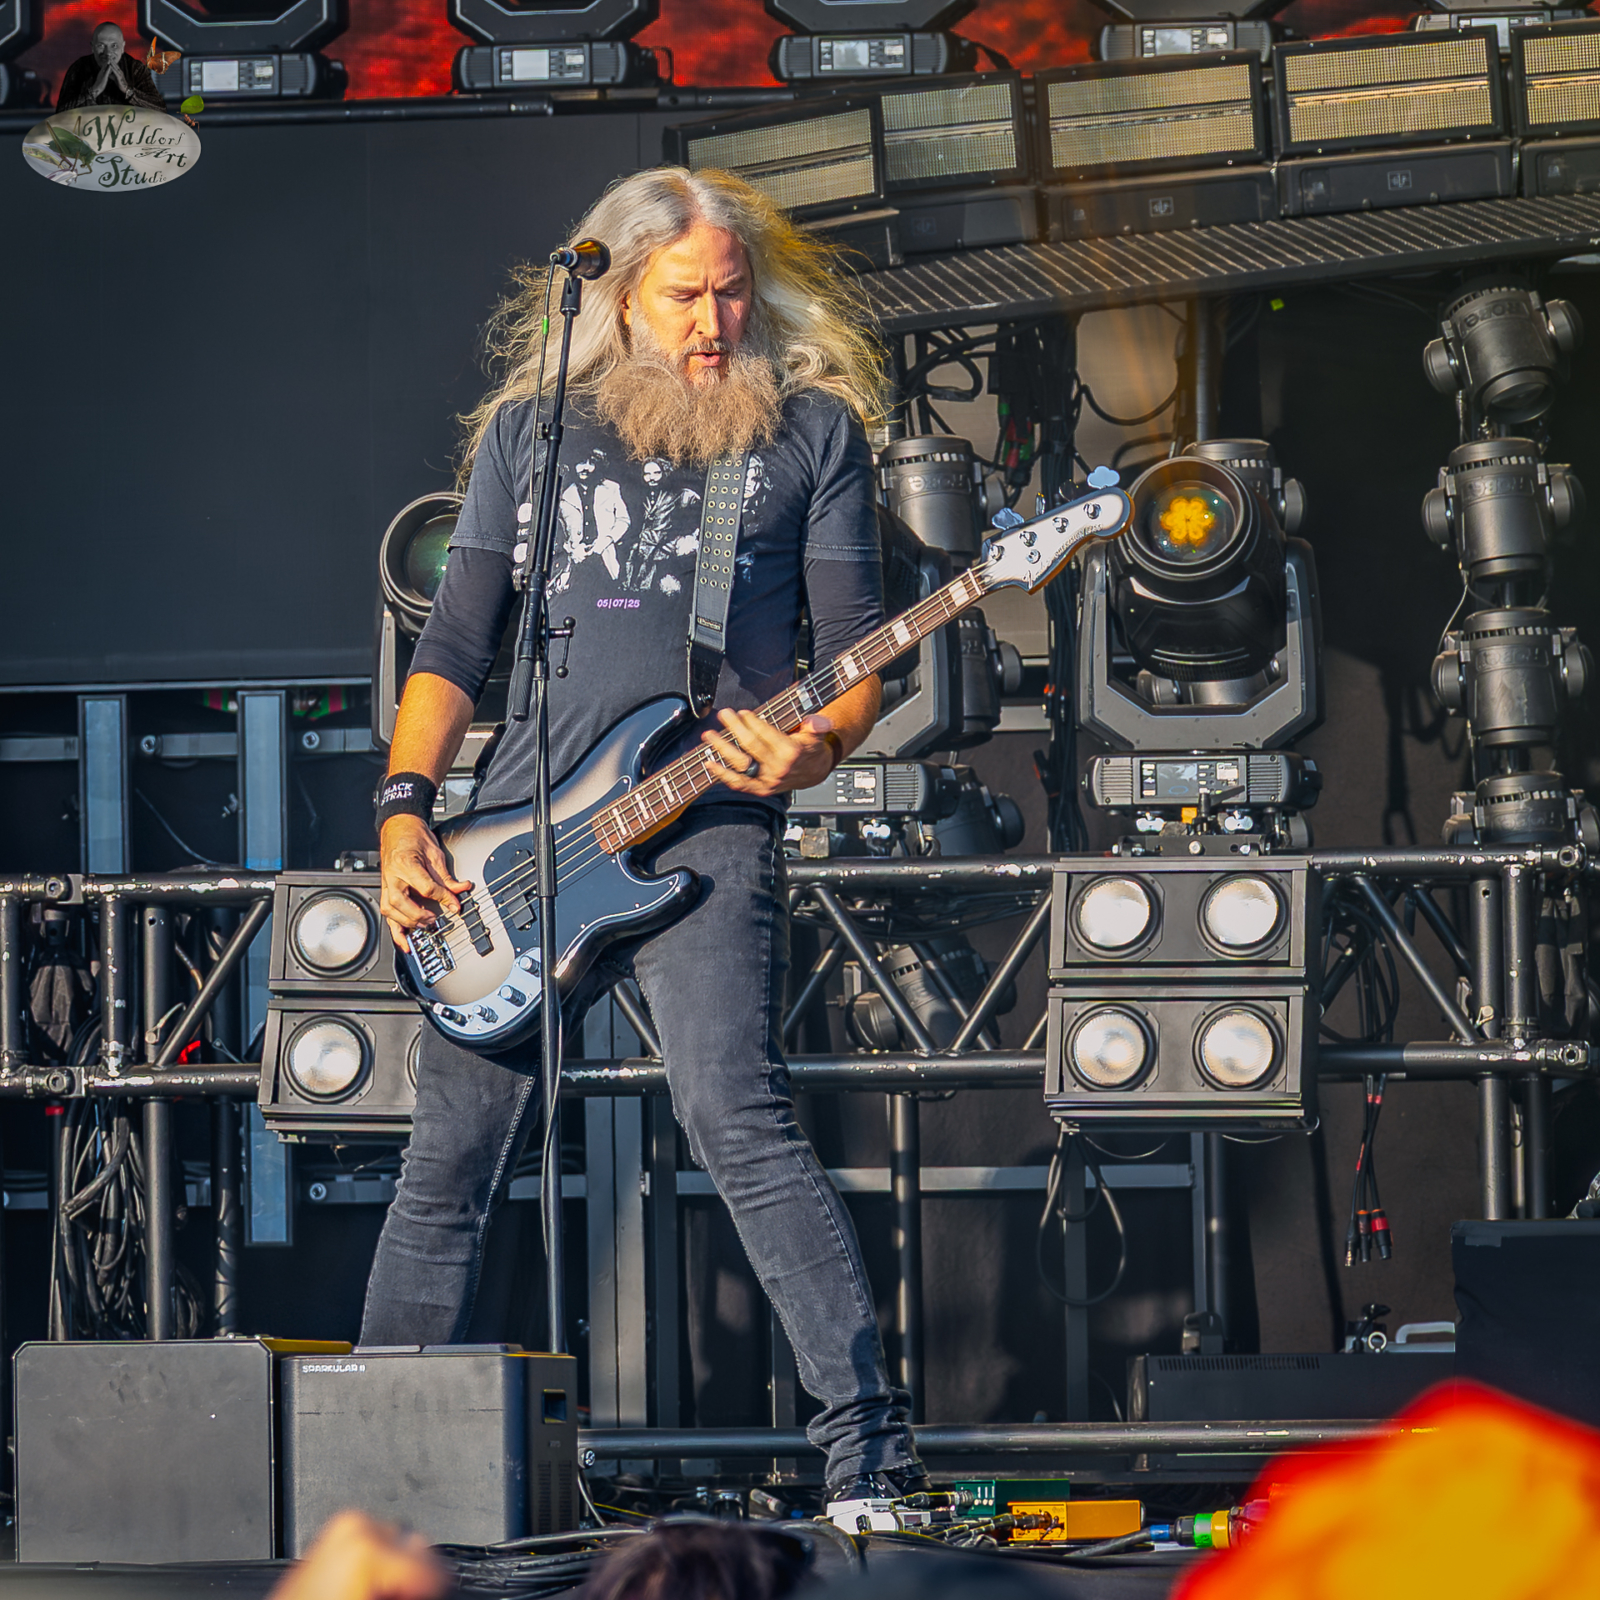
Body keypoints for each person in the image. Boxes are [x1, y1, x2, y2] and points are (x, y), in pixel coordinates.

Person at [368, 165, 926, 1505]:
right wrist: (403, 811)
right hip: (519, 839)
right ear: (615, 295)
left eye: (733, 293)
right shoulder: (532, 437)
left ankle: (870, 1458)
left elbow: (859, 652)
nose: (713, 322)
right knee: (446, 1163)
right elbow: (454, 647)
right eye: (684, 295)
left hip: (709, 825)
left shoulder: (808, 435)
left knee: (739, 1117)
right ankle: (370, 1476)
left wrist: (815, 746)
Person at [57, 22, 167, 113]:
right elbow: (60, 113)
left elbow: (161, 110)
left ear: (122, 47)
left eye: (114, 46)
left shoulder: (135, 68)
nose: (108, 53)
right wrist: (94, 90)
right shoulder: (79, 68)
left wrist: (127, 90)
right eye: (101, 45)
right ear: (92, 47)